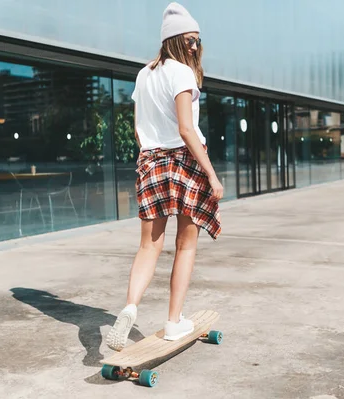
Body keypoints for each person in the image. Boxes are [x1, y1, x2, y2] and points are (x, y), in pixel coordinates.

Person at [106, 2, 223, 351]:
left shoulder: (144, 75)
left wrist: (151, 156)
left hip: (152, 161)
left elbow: (139, 132)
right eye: (190, 40)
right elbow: (187, 129)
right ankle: (173, 323)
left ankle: (130, 307)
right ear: (174, 39)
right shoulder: (182, 74)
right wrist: (212, 175)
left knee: (148, 246)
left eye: (198, 41)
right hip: (185, 161)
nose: (195, 47)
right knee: (185, 245)